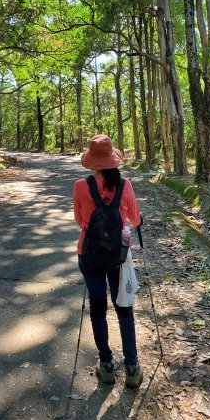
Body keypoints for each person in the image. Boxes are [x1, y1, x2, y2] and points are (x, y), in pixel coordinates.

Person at [73, 134, 143, 388]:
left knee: (98, 308)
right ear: (113, 159)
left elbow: (79, 220)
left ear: (93, 163)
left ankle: (106, 365)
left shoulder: (81, 186)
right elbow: (135, 219)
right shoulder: (125, 186)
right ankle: (133, 367)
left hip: (89, 255)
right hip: (119, 256)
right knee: (124, 308)